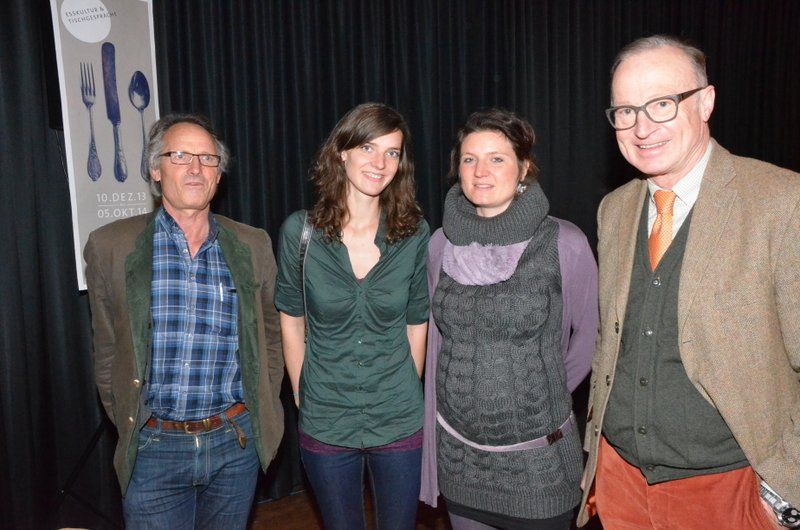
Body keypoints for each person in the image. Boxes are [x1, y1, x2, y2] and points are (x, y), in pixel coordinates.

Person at [577, 35, 800, 529]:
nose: (642, 128)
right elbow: (611, 340)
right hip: (621, 484)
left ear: (705, 102)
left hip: (734, 493)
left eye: (661, 104)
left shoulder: (783, 202)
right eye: (626, 111)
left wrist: (784, 492)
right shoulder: (614, 210)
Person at [84, 114, 284, 529]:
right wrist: (134, 422)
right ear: (155, 170)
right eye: (180, 156)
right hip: (153, 448)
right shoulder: (110, 246)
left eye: (208, 158)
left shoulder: (252, 244)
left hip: (235, 444)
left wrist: (259, 409)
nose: (195, 168)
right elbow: (108, 352)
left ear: (219, 174)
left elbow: (271, 337)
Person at [420, 108, 599, 530]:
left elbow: (593, 336)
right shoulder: (440, 244)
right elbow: (437, 346)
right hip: (460, 460)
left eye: (496, 158)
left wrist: (544, 392)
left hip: (539, 464)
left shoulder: (564, 242)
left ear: (524, 167)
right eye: (469, 159)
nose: (480, 171)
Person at [274, 102, 429, 530]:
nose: (380, 163)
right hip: (327, 418)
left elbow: (417, 319)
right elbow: (291, 319)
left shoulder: (414, 233)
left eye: (392, 152)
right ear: (342, 152)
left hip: (398, 418)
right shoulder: (300, 233)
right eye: (367, 148)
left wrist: (404, 387)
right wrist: (302, 391)